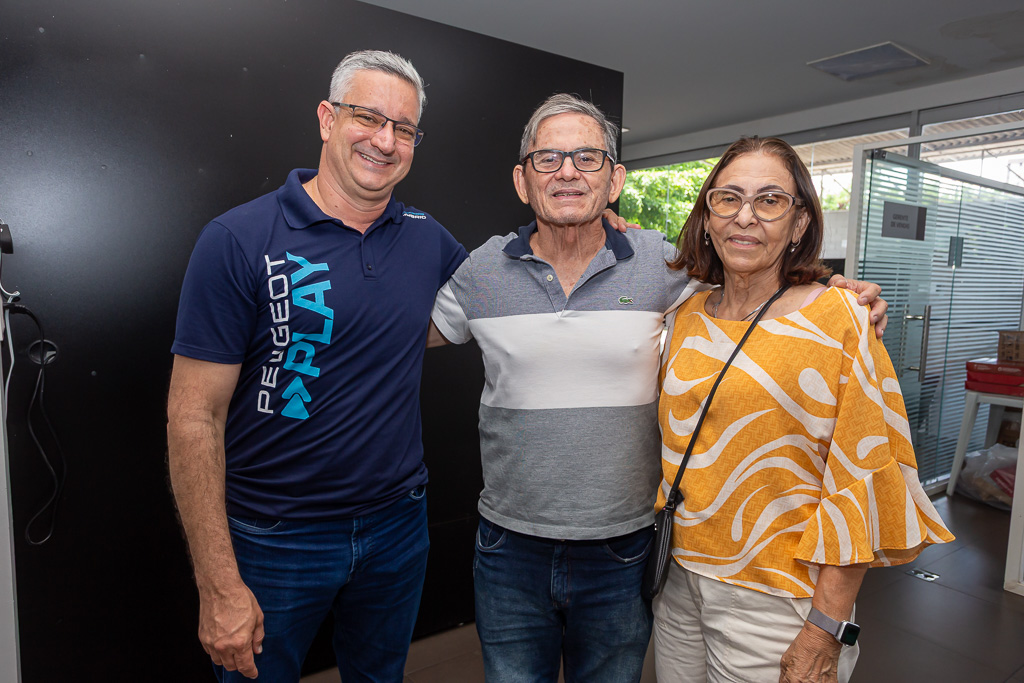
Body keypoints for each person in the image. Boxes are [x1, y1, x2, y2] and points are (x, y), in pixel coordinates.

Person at [428, 96, 888, 683]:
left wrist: (838, 291)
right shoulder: (481, 270)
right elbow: (400, 338)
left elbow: (755, 279)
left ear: (614, 180)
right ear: (522, 181)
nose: (568, 172)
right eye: (548, 158)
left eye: (587, 158)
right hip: (509, 545)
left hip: (625, 548)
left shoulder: (662, 265)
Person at [166, 50, 467, 682]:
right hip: (273, 537)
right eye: (368, 117)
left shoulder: (427, 237)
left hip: (397, 526)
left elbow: (508, 290)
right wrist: (218, 584)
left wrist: (598, 231)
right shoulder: (238, 238)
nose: (385, 141)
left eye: (404, 129)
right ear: (328, 119)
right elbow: (193, 417)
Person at [653, 136, 955, 683]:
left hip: (777, 596)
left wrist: (826, 625)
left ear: (799, 224)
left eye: (769, 201)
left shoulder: (839, 317)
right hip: (676, 578)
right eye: (728, 198)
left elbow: (862, 477)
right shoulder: (684, 313)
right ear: (707, 216)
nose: (745, 217)